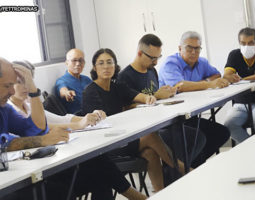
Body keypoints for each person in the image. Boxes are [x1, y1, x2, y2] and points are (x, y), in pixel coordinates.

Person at [0, 58, 146, 200]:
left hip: (23, 174)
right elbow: (5, 144)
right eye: (8, 86)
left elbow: (36, 129)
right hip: (11, 183)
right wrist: (42, 140)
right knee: (62, 189)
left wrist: (33, 90)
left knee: (98, 170)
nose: (12, 91)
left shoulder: (5, 109)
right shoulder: (9, 106)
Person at [82, 48, 186, 192]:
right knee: (150, 136)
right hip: (107, 145)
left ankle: (160, 193)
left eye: (109, 62)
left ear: (115, 65)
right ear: (94, 67)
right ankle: (183, 168)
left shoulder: (117, 86)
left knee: (150, 153)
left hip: (124, 137)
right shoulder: (90, 91)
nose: (106, 67)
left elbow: (136, 95)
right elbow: (96, 125)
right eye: (101, 63)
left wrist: (148, 98)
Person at [118, 33, 206, 171]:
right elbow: (125, 109)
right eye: (152, 58)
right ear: (140, 53)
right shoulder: (125, 77)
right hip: (143, 129)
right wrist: (156, 97)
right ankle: (179, 172)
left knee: (197, 135)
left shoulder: (151, 70)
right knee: (188, 137)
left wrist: (167, 93)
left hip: (160, 121)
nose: (156, 62)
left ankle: (178, 173)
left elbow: (156, 96)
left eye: (158, 57)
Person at [158, 31, 230, 167]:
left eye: (197, 48)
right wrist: (208, 84)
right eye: (189, 48)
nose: (193, 52)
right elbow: (180, 85)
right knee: (199, 138)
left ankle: (194, 165)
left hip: (191, 114)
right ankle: (184, 170)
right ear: (180, 48)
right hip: (172, 120)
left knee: (222, 133)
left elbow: (216, 74)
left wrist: (207, 80)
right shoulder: (170, 63)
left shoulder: (202, 62)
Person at [9, 60, 106, 130]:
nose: (27, 86)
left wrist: (92, 118)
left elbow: (61, 120)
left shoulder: (28, 106)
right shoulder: (8, 110)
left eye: (30, 81)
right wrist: (79, 124)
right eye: (19, 82)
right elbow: (38, 128)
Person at [223, 27, 255, 144]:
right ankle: (252, 146)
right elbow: (226, 76)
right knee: (229, 124)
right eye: (243, 43)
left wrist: (243, 79)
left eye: (251, 43)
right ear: (239, 43)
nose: (247, 46)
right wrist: (231, 77)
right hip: (240, 104)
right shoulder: (234, 55)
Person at [55, 48, 92, 114]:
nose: (78, 64)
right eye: (74, 60)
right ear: (67, 63)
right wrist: (67, 93)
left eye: (81, 60)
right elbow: (62, 90)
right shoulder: (62, 81)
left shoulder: (87, 79)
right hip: (77, 120)